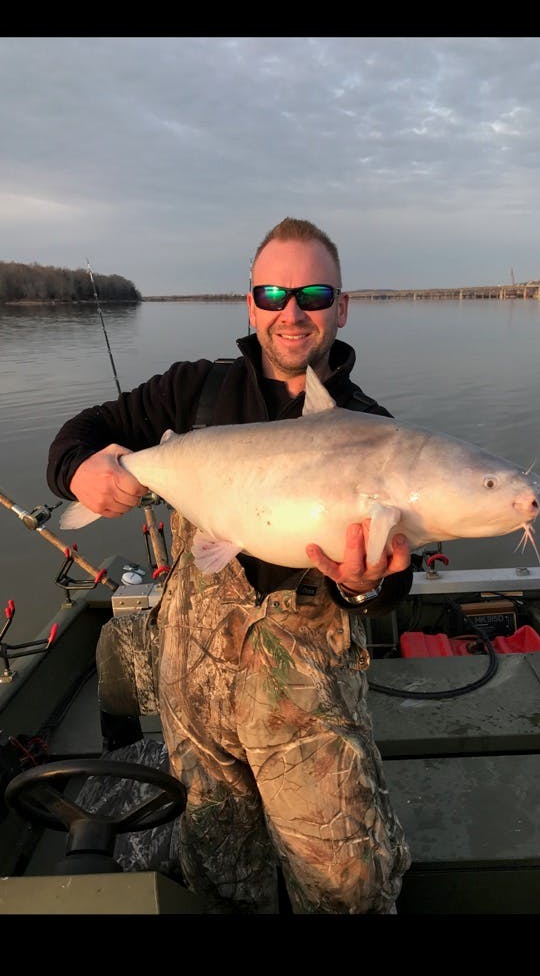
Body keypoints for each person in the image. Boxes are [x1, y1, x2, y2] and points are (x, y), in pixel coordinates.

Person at [47, 217, 413, 914]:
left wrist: (367, 587)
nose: (290, 311)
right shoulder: (192, 392)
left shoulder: (374, 432)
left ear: (341, 305)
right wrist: (79, 473)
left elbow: (392, 585)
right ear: (249, 303)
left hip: (307, 709)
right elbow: (79, 435)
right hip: (194, 698)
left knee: (349, 887)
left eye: (311, 293)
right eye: (272, 292)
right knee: (218, 877)